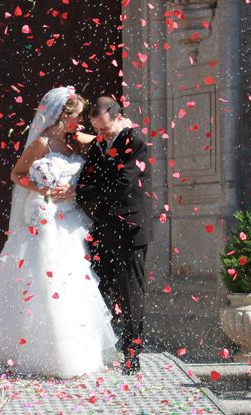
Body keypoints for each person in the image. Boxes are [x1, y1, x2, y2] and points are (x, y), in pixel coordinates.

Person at [0, 87, 118, 378]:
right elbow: (17, 174)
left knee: (73, 279)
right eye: (76, 117)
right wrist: (44, 189)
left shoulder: (76, 141)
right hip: (45, 216)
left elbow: (108, 141)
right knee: (42, 276)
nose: (80, 123)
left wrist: (75, 190)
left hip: (70, 220)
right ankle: (44, 352)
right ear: (63, 116)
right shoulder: (41, 143)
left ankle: (76, 350)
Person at [75, 96, 153, 375]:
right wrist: (81, 192)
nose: (101, 135)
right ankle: (101, 347)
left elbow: (122, 185)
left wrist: (91, 189)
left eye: (105, 129)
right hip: (103, 227)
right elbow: (85, 182)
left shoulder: (136, 141)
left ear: (119, 118)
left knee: (131, 292)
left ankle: (133, 353)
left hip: (131, 229)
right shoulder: (98, 145)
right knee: (101, 287)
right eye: (97, 130)